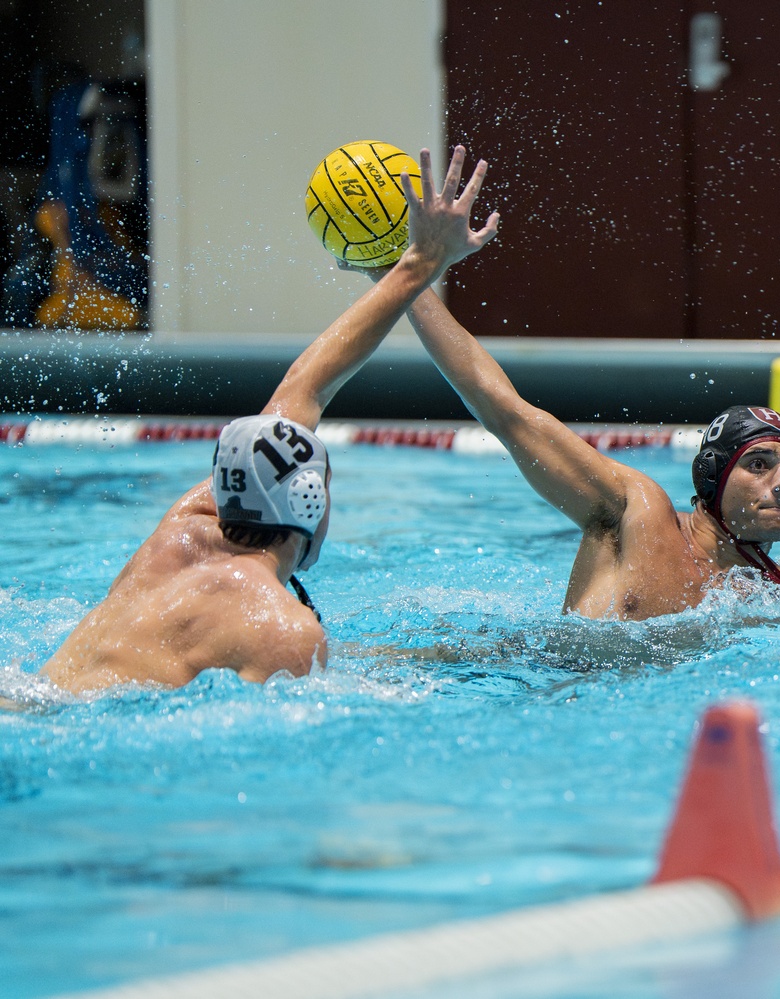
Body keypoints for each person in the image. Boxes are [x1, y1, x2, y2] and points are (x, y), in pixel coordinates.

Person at [43, 146, 500, 692]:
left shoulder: (180, 534)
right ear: (310, 500)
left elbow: (305, 385)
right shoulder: (282, 628)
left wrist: (414, 265)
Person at [397, 292, 780, 619]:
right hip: (538, 682)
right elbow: (507, 413)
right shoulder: (636, 512)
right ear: (712, 476)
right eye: (758, 464)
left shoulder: (777, 596)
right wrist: (410, 274)